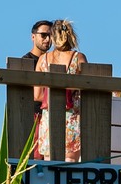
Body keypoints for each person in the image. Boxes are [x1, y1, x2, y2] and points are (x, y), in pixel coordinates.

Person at [35, 18, 86, 161]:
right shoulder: (78, 58)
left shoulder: (43, 59)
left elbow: (37, 95)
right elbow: (88, 86)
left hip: (49, 117)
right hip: (72, 116)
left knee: (50, 162)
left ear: (52, 37)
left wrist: (52, 94)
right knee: (71, 161)